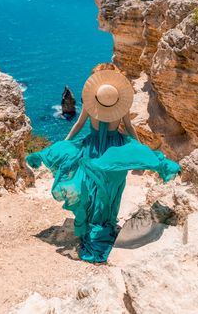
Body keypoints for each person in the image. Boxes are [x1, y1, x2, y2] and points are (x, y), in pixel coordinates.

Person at [25, 69, 182, 263]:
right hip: (116, 154)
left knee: (92, 191)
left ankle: (94, 225)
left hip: (93, 151)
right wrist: (138, 150)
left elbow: (78, 126)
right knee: (113, 190)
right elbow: (131, 129)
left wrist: (64, 143)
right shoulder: (121, 109)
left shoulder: (90, 106)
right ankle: (106, 224)